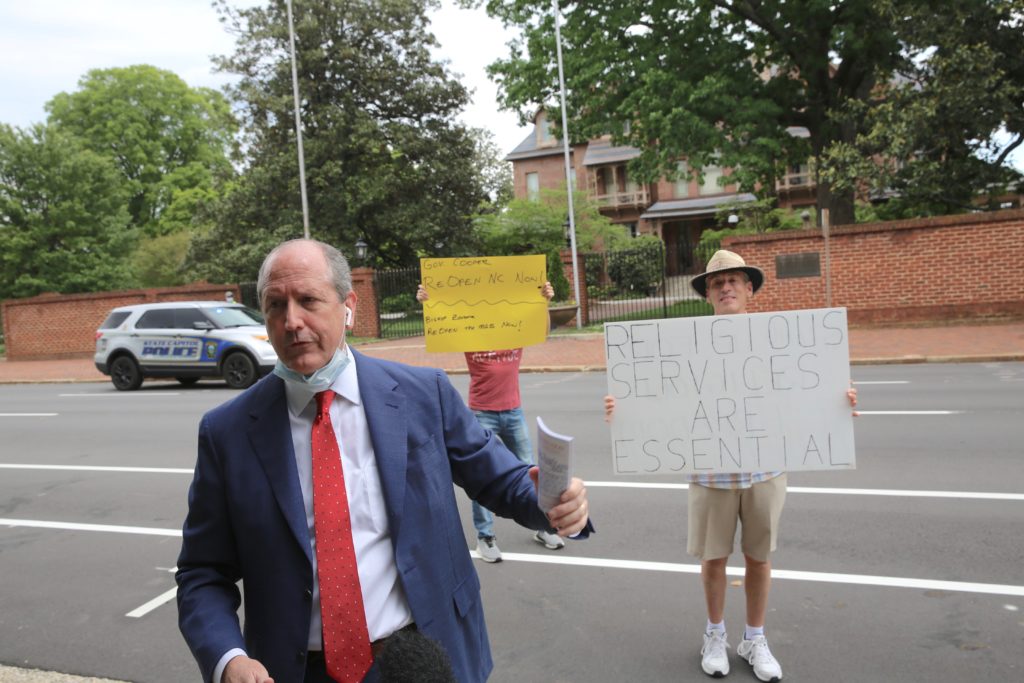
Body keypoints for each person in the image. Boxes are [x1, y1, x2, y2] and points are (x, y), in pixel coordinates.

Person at [176, 239, 592, 683]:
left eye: (309, 301)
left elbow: (503, 480)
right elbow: (203, 571)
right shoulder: (228, 432)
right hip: (293, 672)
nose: (292, 321)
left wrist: (552, 501)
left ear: (348, 305)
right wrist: (228, 658)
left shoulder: (423, 394)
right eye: (275, 305)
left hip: (420, 659)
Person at [605, 249, 857, 683]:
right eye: (716, 283)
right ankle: (715, 634)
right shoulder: (684, 347)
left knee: (758, 558)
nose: (725, 288)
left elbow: (803, 391)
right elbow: (659, 399)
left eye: (733, 281)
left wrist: (837, 401)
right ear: (708, 295)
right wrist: (624, 409)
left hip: (766, 470)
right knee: (714, 558)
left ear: (749, 289)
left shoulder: (780, 342)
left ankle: (754, 637)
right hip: (711, 472)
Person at [416, 281, 565, 563]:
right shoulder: (473, 339)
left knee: (532, 475)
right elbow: (443, 325)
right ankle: (485, 537)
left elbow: (540, 329)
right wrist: (428, 302)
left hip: (514, 412)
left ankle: (542, 526)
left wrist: (544, 301)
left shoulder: (515, 335)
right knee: (480, 476)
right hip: (482, 414)